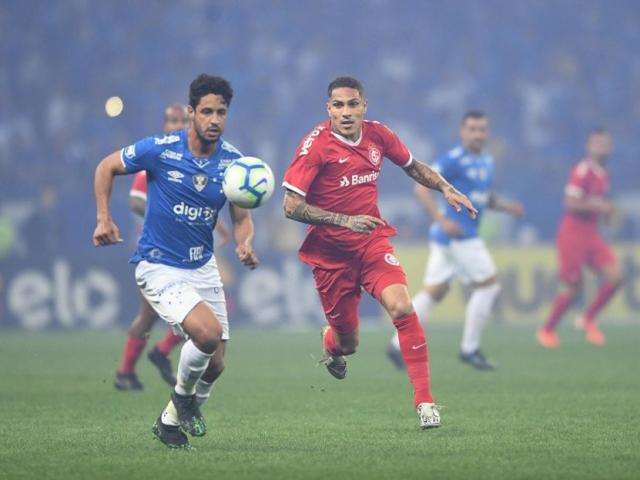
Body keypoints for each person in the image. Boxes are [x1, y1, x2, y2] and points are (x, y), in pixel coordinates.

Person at [282, 76, 476, 429]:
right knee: (348, 342)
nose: (346, 112)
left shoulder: (378, 135)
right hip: (330, 256)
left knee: (402, 306)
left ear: (364, 106)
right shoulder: (315, 147)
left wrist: (446, 188)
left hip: (371, 243)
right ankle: (331, 344)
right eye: (338, 105)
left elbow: (413, 166)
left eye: (352, 104)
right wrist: (343, 220)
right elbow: (291, 205)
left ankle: (425, 403)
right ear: (328, 109)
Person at [94, 74, 258, 449]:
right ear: (191, 113)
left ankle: (169, 420)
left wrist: (244, 243)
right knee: (206, 334)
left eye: (221, 112)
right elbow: (106, 167)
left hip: (202, 266)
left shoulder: (234, 163)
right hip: (158, 264)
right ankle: (184, 403)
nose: (214, 119)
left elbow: (242, 216)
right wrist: (104, 217)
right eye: (206, 112)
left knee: (216, 364)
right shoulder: (161, 149)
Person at [387, 111, 524, 371]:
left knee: (434, 292)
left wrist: (507, 207)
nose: (477, 134)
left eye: (482, 129)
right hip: (459, 236)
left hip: (449, 240)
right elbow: (421, 187)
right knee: (489, 286)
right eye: (472, 129)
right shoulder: (452, 160)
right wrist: (440, 218)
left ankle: (396, 345)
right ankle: (469, 349)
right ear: (462, 132)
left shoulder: (486, 161)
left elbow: (483, 198)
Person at [537, 128, 623, 348]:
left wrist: (606, 214)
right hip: (572, 234)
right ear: (589, 146)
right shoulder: (583, 170)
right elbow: (570, 203)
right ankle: (547, 330)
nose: (601, 148)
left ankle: (587, 319)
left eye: (604, 144)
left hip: (592, 234)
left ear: (610, 148)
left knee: (615, 276)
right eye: (597, 143)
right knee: (574, 287)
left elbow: (598, 206)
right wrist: (600, 206)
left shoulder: (605, 174)